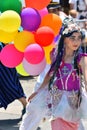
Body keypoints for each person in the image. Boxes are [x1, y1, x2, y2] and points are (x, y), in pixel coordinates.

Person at [20, 17, 87, 130]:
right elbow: (50, 75)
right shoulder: (56, 55)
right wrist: (37, 91)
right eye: (72, 38)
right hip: (57, 100)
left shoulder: (81, 59)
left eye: (79, 38)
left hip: (73, 103)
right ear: (64, 39)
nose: (76, 42)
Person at [0, 42, 27, 116]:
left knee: (11, 87)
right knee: (11, 86)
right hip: (6, 63)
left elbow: (7, 42)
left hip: (4, 66)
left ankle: (26, 106)